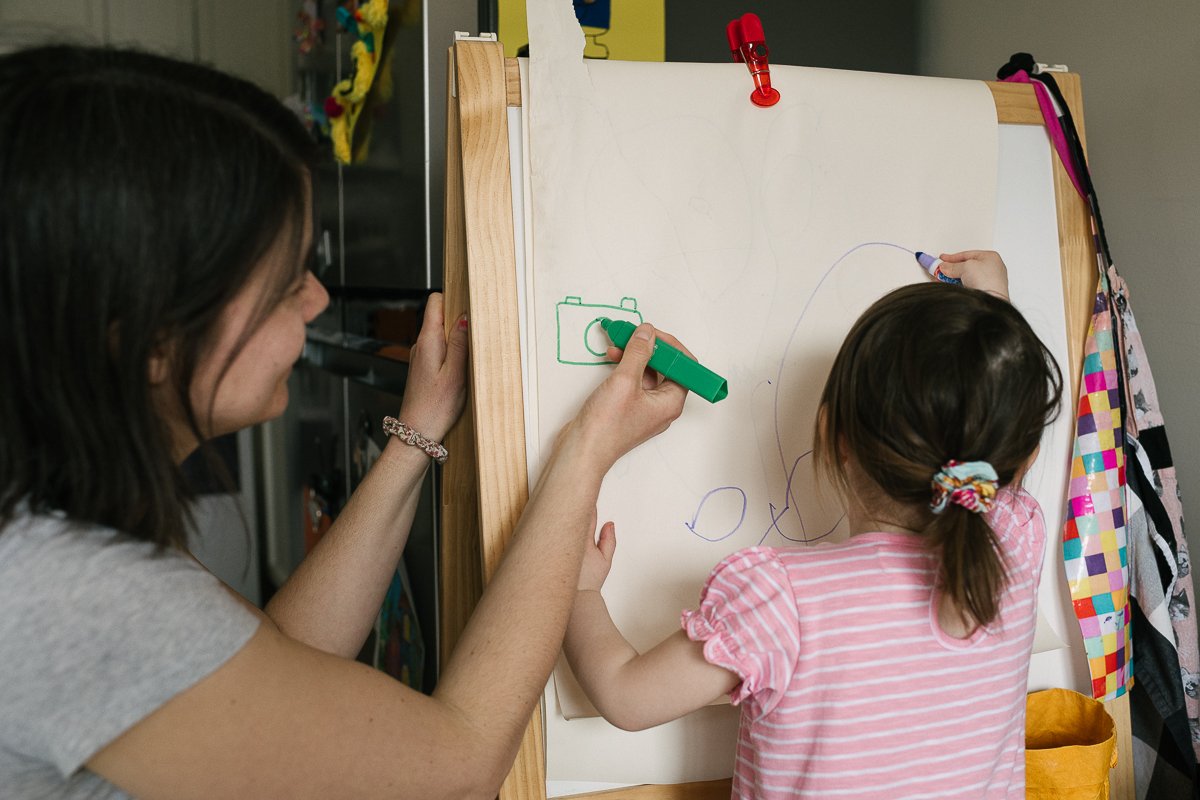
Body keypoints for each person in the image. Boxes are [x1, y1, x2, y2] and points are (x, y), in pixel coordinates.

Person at [0, 45, 692, 799]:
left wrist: (416, 434)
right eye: (284, 280)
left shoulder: (47, 532)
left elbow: (278, 659)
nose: (318, 301)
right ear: (147, 338)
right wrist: (587, 451)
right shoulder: (73, 596)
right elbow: (458, 767)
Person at [563, 251, 1064, 798]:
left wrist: (579, 586)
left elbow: (624, 696)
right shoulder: (1015, 540)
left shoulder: (784, 604)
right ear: (1021, 458)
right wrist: (990, 307)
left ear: (832, 435)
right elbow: (994, 440)